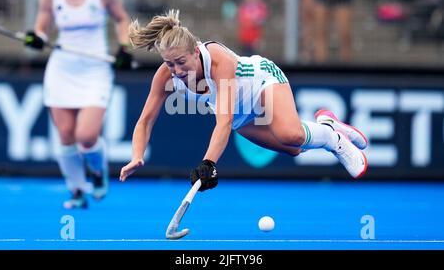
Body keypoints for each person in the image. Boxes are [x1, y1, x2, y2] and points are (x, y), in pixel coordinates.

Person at [119, 10, 368, 191]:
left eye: (181, 62)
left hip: (261, 82)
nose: (176, 70)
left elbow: (223, 122)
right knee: (295, 149)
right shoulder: (165, 77)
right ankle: (328, 125)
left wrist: (208, 163)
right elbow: (144, 122)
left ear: (195, 51)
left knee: (290, 134)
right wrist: (137, 155)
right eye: (169, 63)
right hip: (240, 113)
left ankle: (335, 140)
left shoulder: (218, 61)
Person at [24, 0, 134, 208]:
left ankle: (97, 172)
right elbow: (42, 26)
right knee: (65, 135)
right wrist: (37, 37)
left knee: (86, 135)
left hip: (95, 68)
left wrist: (124, 47)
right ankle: (76, 190)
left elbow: (121, 19)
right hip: (62, 69)